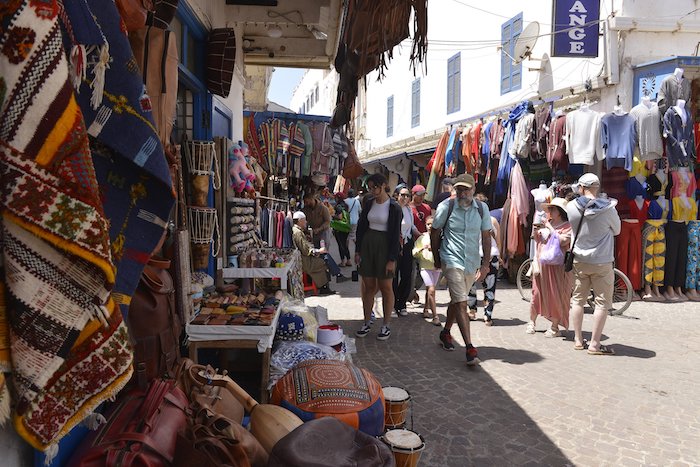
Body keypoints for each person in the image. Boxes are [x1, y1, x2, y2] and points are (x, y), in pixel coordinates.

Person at [432, 173, 491, 366]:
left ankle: (446, 332)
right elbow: (435, 231)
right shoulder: (446, 207)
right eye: (459, 189)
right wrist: (437, 257)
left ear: (473, 190)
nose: (462, 192)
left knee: (458, 301)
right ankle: (469, 348)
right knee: (462, 303)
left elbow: (486, 236)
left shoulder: (482, 209)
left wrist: (485, 264)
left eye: (466, 189)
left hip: (471, 262)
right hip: (451, 259)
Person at [566, 173, 621, 355]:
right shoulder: (609, 209)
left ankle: (578, 339)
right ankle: (595, 344)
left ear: (581, 187)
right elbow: (617, 230)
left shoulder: (571, 207)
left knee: (578, 300)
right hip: (602, 261)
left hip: (580, 260)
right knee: (601, 303)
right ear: (597, 187)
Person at [355, 173, 402, 341]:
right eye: (370, 188)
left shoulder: (394, 207)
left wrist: (392, 258)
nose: (373, 191)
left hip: (385, 246)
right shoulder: (368, 203)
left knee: (386, 287)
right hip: (368, 244)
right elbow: (361, 226)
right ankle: (367, 321)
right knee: (368, 286)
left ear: (383, 185)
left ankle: (386, 324)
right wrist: (358, 250)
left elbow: (396, 233)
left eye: (375, 187)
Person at [526, 198, 573, 336]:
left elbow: (564, 241)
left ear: (560, 211)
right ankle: (531, 322)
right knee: (536, 293)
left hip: (557, 268)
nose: (549, 211)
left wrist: (550, 229)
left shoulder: (568, 226)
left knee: (556, 295)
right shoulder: (547, 223)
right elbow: (538, 240)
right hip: (541, 264)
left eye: (552, 209)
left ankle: (555, 326)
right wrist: (536, 231)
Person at [467, 193, 500, 326]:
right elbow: (498, 240)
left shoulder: (472, 220)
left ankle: (475, 311)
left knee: (472, 285)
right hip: (490, 255)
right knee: (488, 286)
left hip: (481, 255)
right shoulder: (492, 220)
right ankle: (486, 314)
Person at [303, 192, 347, 283]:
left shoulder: (323, 208)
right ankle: (334, 275)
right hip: (314, 234)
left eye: (307, 202)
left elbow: (327, 222)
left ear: (312, 199)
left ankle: (333, 275)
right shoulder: (306, 209)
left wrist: (319, 229)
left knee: (323, 253)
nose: (306, 204)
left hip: (323, 234)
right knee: (320, 255)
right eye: (305, 202)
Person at [292, 212, 335, 295]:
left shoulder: (297, 230)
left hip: (305, 258)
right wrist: (317, 251)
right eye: (304, 220)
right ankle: (325, 286)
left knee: (325, 256)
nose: (306, 222)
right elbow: (305, 250)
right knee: (325, 261)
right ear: (300, 221)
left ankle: (334, 276)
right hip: (305, 261)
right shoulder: (298, 233)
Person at [393, 186, 421, 317]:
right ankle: (392, 304)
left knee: (406, 274)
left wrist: (420, 235)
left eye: (407, 195)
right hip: (395, 244)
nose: (405, 198)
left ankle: (401, 303)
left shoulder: (409, 210)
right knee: (393, 275)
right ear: (396, 195)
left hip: (407, 243)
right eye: (402, 195)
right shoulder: (392, 209)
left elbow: (412, 226)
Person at [413, 216, 441, 326]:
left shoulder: (439, 237)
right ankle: (435, 316)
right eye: (428, 224)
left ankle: (426, 308)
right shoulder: (422, 238)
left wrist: (435, 248)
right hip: (425, 266)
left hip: (436, 266)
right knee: (432, 289)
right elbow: (414, 252)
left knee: (429, 290)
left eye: (432, 224)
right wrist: (423, 248)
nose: (430, 226)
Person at [409, 184, 432, 304]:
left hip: (424, 244)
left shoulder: (427, 207)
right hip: (412, 243)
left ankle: (413, 289)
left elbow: (430, 222)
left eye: (423, 195)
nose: (422, 197)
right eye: (420, 195)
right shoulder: (408, 208)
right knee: (412, 269)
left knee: (422, 271)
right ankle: (410, 292)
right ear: (413, 195)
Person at [332, 192, 352, 267]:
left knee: (341, 245)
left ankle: (343, 261)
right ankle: (349, 260)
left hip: (339, 228)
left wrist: (333, 215)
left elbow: (340, 217)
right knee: (345, 244)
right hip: (346, 227)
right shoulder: (346, 205)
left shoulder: (338, 206)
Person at [345, 188, 361, 265]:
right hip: (355, 221)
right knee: (353, 236)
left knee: (347, 238)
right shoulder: (356, 201)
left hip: (347, 222)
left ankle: (347, 255)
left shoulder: (345, 201)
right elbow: (360, 210)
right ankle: (359, 249)